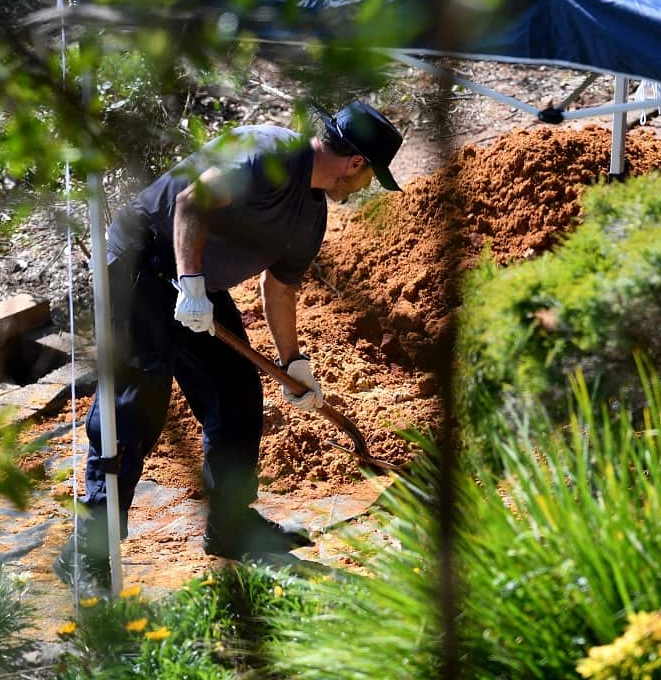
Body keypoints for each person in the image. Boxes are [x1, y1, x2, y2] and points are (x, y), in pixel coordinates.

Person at [54, 100, 404, 593]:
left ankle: (230, 526)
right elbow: (191, 201)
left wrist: (293, 363)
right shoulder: (269, 155)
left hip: (195, 284)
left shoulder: (311, 217)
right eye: (371, 176)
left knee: (236, 391)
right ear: (355, 163)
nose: (366, 187)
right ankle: (88, 548)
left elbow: (279, 289)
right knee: (135, 401)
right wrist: (191, 284)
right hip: (141, 261)